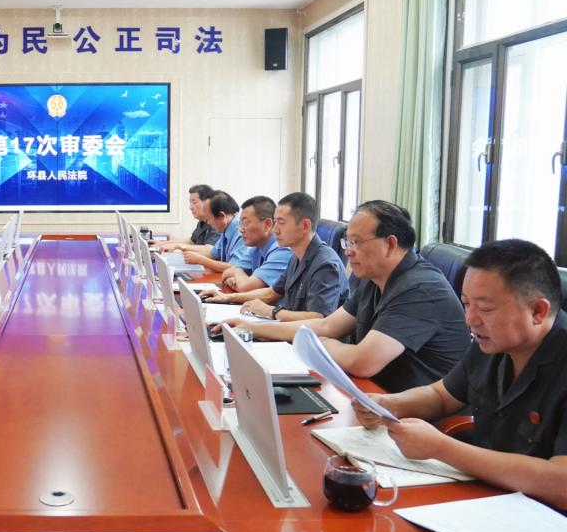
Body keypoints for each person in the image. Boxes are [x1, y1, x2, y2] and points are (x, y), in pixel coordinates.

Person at [354, 239, 567, 509]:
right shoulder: (493, 341)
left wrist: (440, 448)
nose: (470, 319)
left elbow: (561, 483)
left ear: (537, 311)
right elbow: (442, 395)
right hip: (488, 496)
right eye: (466, 304)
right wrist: (390, 404)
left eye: (485, 309)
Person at [230, 200, 469, 392]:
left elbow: (362, 362)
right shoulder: (373, 279)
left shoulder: (420, 289)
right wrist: (252, 328)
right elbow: (326, 325)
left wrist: (321, 344)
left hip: (415, 416)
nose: (347, 251)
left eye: (356, 242)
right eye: (347, 241)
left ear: (390, 244)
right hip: (371, 394)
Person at [203, 192, 346, 321]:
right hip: (289, 330)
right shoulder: (296, 257)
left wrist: (271, 311)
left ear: (304, 226)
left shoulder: (325, 264)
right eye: (275, 221)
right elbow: (272, 293)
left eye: (281, 223)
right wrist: (227, 297)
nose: (275, 229)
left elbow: (317, 318)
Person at [219, 196, 293, 292]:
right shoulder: (255, 248)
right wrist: (236, 275)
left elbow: (246, 287)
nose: (241, 230)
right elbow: (227, 273)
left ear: (267, 225)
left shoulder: (282, 250)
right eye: (240, 223)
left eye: (245, 223)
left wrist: (237, 273)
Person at [177, 191, 246, 273]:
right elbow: (213, 253)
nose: (208, 223)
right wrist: (187, 254)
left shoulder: (242, 231)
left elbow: (235, 268)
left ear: (222, 216)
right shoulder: (227, 227)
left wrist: (201, 260)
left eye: (209, 219)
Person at [155, 184, 220, 256]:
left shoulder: (216, 221)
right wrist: (162, 244)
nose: (190, 207)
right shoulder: (202, 221)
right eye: (190, 203)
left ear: (207, 202)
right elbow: (191, 241)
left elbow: (210, 250)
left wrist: (178, 246)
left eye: (194, 202)